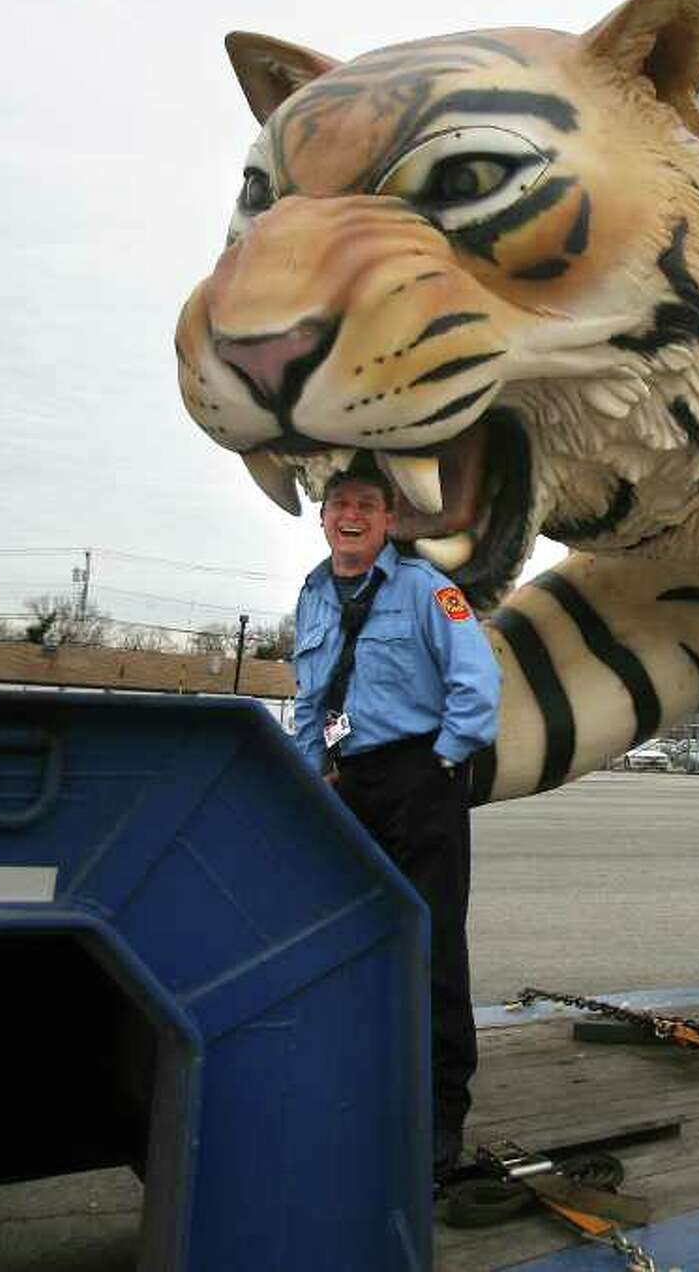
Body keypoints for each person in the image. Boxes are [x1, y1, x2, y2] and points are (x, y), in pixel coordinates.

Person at [291, 460, 500, 1179]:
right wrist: (306, 775)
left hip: (422, 777)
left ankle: (442, 1118)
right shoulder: (313, 595)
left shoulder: (426, 590)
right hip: (348, 782)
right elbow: (309, 701)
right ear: (323, 519)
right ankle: (365, 1090)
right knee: (355, 940)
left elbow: (478, 682)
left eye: (366, 506)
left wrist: (442, 762)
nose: (350, 515)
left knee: (434, 947)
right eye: (339, 503)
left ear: (388, 522)